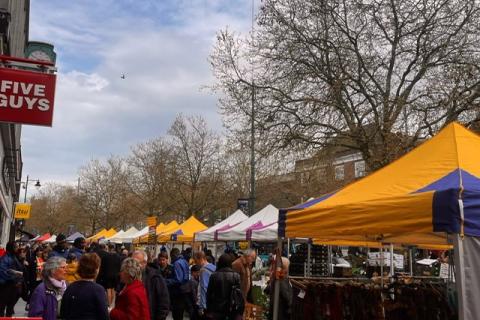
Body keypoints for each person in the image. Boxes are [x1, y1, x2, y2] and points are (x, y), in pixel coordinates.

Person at [60, 253, 108, 320]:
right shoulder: (98, 290)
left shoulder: (71, 287)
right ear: (96, 269)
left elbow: (63, 313)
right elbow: (104, 315)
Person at [132, 250, 170, 320]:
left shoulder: (155, 277)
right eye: (132, 263)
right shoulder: (129, 275)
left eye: (136, 263)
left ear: (144, 263)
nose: (133, 266)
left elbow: (164, 301)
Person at [206, 253, 243, 320]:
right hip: (231, 308)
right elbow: (239, 295)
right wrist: (240, 312)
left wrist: (209, 310)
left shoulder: (214, 276)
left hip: (216, 308)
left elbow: (209, 294)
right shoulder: (236, 275)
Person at [0, 242, 23, 316]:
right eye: (16, 247)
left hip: (13, 286)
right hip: (6, 286)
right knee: (2, 308)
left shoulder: (14, 257)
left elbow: (19, 269)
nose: (17, 248)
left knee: (10, 308)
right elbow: (3, 272)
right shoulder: (5, 258)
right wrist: (15, 275)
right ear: (11, 248)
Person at [166, 248, 190, 320]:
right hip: (184, 290)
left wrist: (166, 281)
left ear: (174, 255)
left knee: (177, 314)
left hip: (178, 291)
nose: (171, 258)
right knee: (180, 313)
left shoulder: (177, 263)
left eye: (171, 256)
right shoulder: (185, 261)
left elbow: (178, 279)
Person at [194, 251, 216, 318]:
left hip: (204, 303)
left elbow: (203, 288)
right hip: (212, 301)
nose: (196, 263)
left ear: (200, 259)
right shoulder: (214, 267)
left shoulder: (203, 270)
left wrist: (202, 307)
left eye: (196, 260)